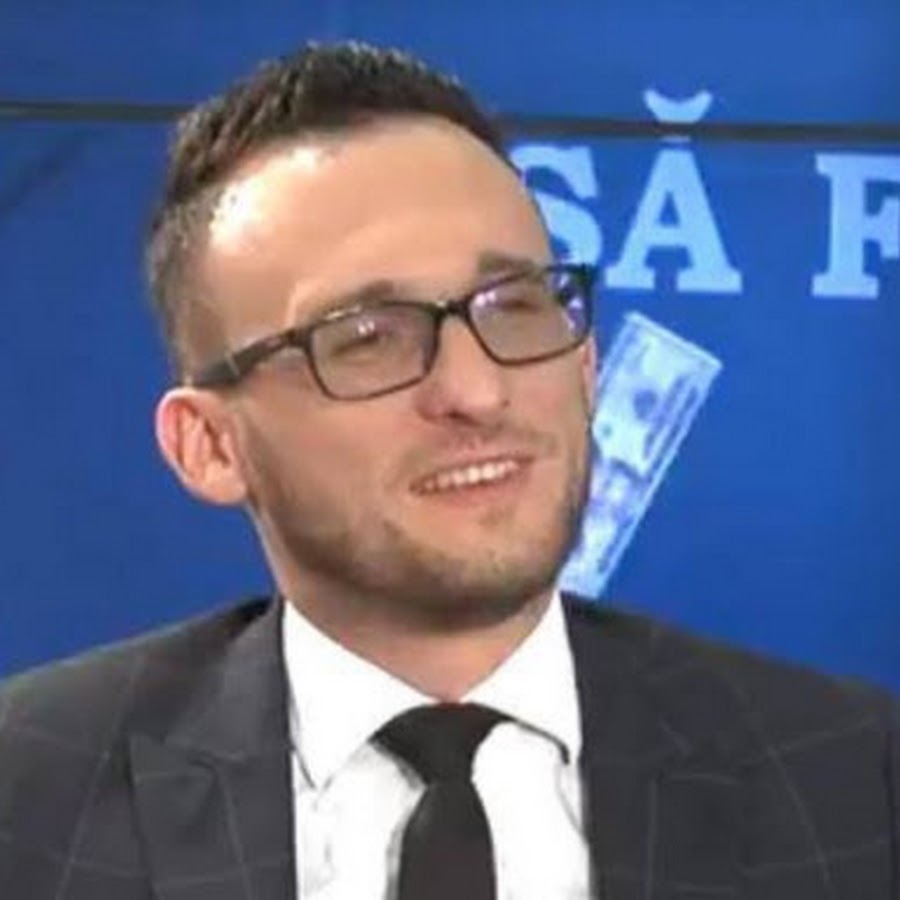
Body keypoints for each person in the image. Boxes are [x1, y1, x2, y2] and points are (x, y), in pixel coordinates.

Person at [0, 41, 896, 900]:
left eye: (515, 306)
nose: (476, 389)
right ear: (210, 445)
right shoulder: (28, 798)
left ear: (587, 367)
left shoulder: (858, 781)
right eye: (365, 338)